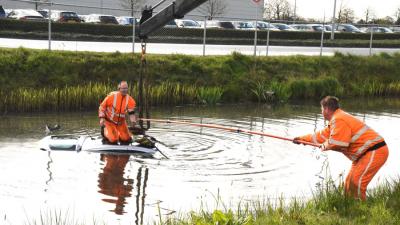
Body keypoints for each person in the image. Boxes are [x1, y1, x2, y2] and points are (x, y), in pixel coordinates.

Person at [293, 96, 389, 200]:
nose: (321, 112)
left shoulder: (339, 119)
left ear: (326, 109)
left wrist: (325, 145)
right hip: (364, 154)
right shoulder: (336, 120)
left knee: (356, 182)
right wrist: (302, 139)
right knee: (349, 183)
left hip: (375, 151)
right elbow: (321, 136)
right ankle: (350, 208)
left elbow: (339, 142)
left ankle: (360, 209)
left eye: (321, 109)